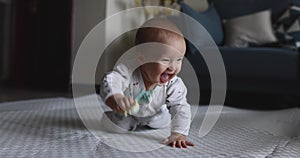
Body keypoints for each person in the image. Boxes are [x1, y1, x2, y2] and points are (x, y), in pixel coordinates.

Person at [100, 18, 195, 148]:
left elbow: (181, 107)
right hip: (129, 113)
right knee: (118, 126)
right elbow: (111, 79)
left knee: (162, 122)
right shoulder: (128, 70)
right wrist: (116, 98)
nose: (173, 67)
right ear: (142, 58)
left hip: (156, 114)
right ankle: (111, 116)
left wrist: (179, 133)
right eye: (166, 60)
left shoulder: (173, 83)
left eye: (179, 60)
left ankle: (156, 119)